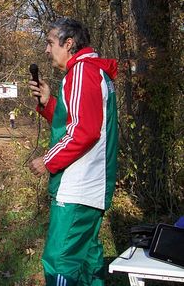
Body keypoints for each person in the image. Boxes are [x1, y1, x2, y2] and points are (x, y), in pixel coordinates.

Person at [28, 17, 118, 286]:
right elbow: (78, 120)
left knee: (60, 262)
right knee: (87, 261)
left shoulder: (80, 71)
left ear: (69, 43)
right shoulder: (92, 71)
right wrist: (48, 102)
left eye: (50, 43)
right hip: (91, 186)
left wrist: (47, 160)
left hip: (78, 186)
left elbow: (84, 132)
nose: (46, 50)